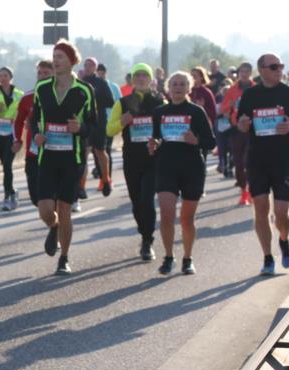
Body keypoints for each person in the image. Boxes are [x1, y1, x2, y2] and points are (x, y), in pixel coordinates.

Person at [235, 53, 289, 276]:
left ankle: (284, 241)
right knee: (261, 209)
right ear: (262, 70)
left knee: (281, 213)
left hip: (282, 161)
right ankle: (267, 257)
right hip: (257, 160)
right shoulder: (250, 95)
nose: (279, 69)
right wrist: (243, 123)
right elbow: (240, 124)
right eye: (274, 66)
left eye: (281, 66)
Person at [30, 40, 95, 275]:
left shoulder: (84, 91)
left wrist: (81, 129)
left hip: (72, 159)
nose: (56, 60)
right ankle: (54, 226)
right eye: (54, 56)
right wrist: (36, 134)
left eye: (60, 57)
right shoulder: (42, 88)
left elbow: (94, 125)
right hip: (47, 158)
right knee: (45, 210)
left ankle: (64, 258)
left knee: (65, 208)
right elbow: (33, 117)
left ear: (71, 61)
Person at [150, 72, 215, 275]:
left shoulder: (196, 112)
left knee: (187, 219)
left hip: (192, 168)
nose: (178, 87)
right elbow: (156, 139)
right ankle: (169, 257)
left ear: (189, 88)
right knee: (167, 216)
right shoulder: (159, 112)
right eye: (175, 84)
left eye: (182, 84)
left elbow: (211, 142)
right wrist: (153, 145)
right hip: (166, 167)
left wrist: (196, 141)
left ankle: (188, 258)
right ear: (169, 88)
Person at [107, 63, 164, 261]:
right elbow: (109, 130)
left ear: (150, 80)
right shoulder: (122, 103)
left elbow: (166, 127)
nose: (140, 78)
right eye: (137, 75)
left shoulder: (159, 101)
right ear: (132, 80)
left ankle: (147, 241)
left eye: (144, 75)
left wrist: (159, 141)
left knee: (147, 201)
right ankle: (143, 231)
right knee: (136, 202)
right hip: (131, 158)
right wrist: (122, 121)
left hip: (153, 158)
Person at [14, 60, 54, 208]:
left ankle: (55, 226)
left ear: (54, 74)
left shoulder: (62, 96)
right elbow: (18, 122)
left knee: (52, 195)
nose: (42, 76)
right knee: (35, 197)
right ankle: (53, 220)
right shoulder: (27, 98)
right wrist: (17, 140)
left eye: (46, 73)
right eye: (39, 73)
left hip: (55, 151)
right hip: (33, 153)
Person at [0, 66, 24, 211]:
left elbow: (23, 112)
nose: (2, 78)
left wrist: (19, 119)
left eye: (5, 75)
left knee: (7, 165)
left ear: (10, 77)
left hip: (13, 133)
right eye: (0, 75)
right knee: (5, 164)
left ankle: (7, 197)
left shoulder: (19, 94)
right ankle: (13, 191)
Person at [78, 57, 115, 199]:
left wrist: (94, 95)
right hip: (84, 123)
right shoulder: (79, 83)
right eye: (86, 65)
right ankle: (81, 186)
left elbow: (110, 102)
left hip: (98, 122)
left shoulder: (101, 83)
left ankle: (105, 180)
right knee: (84, 155)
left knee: (100, 151)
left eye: (90, 65)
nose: (87, 67)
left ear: (95, 68)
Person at [220, 62, 255, 205]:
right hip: (237, 130)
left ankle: (252, 191)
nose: (244, 74)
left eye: (247, 71)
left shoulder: (256, 88)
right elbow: (224, 108)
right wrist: (231, 105)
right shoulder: (233, 90)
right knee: (239, 163)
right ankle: (243, 191)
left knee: (250, 161)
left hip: (253, 130)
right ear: (239, 73)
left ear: (251, 73)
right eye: (242, 71)